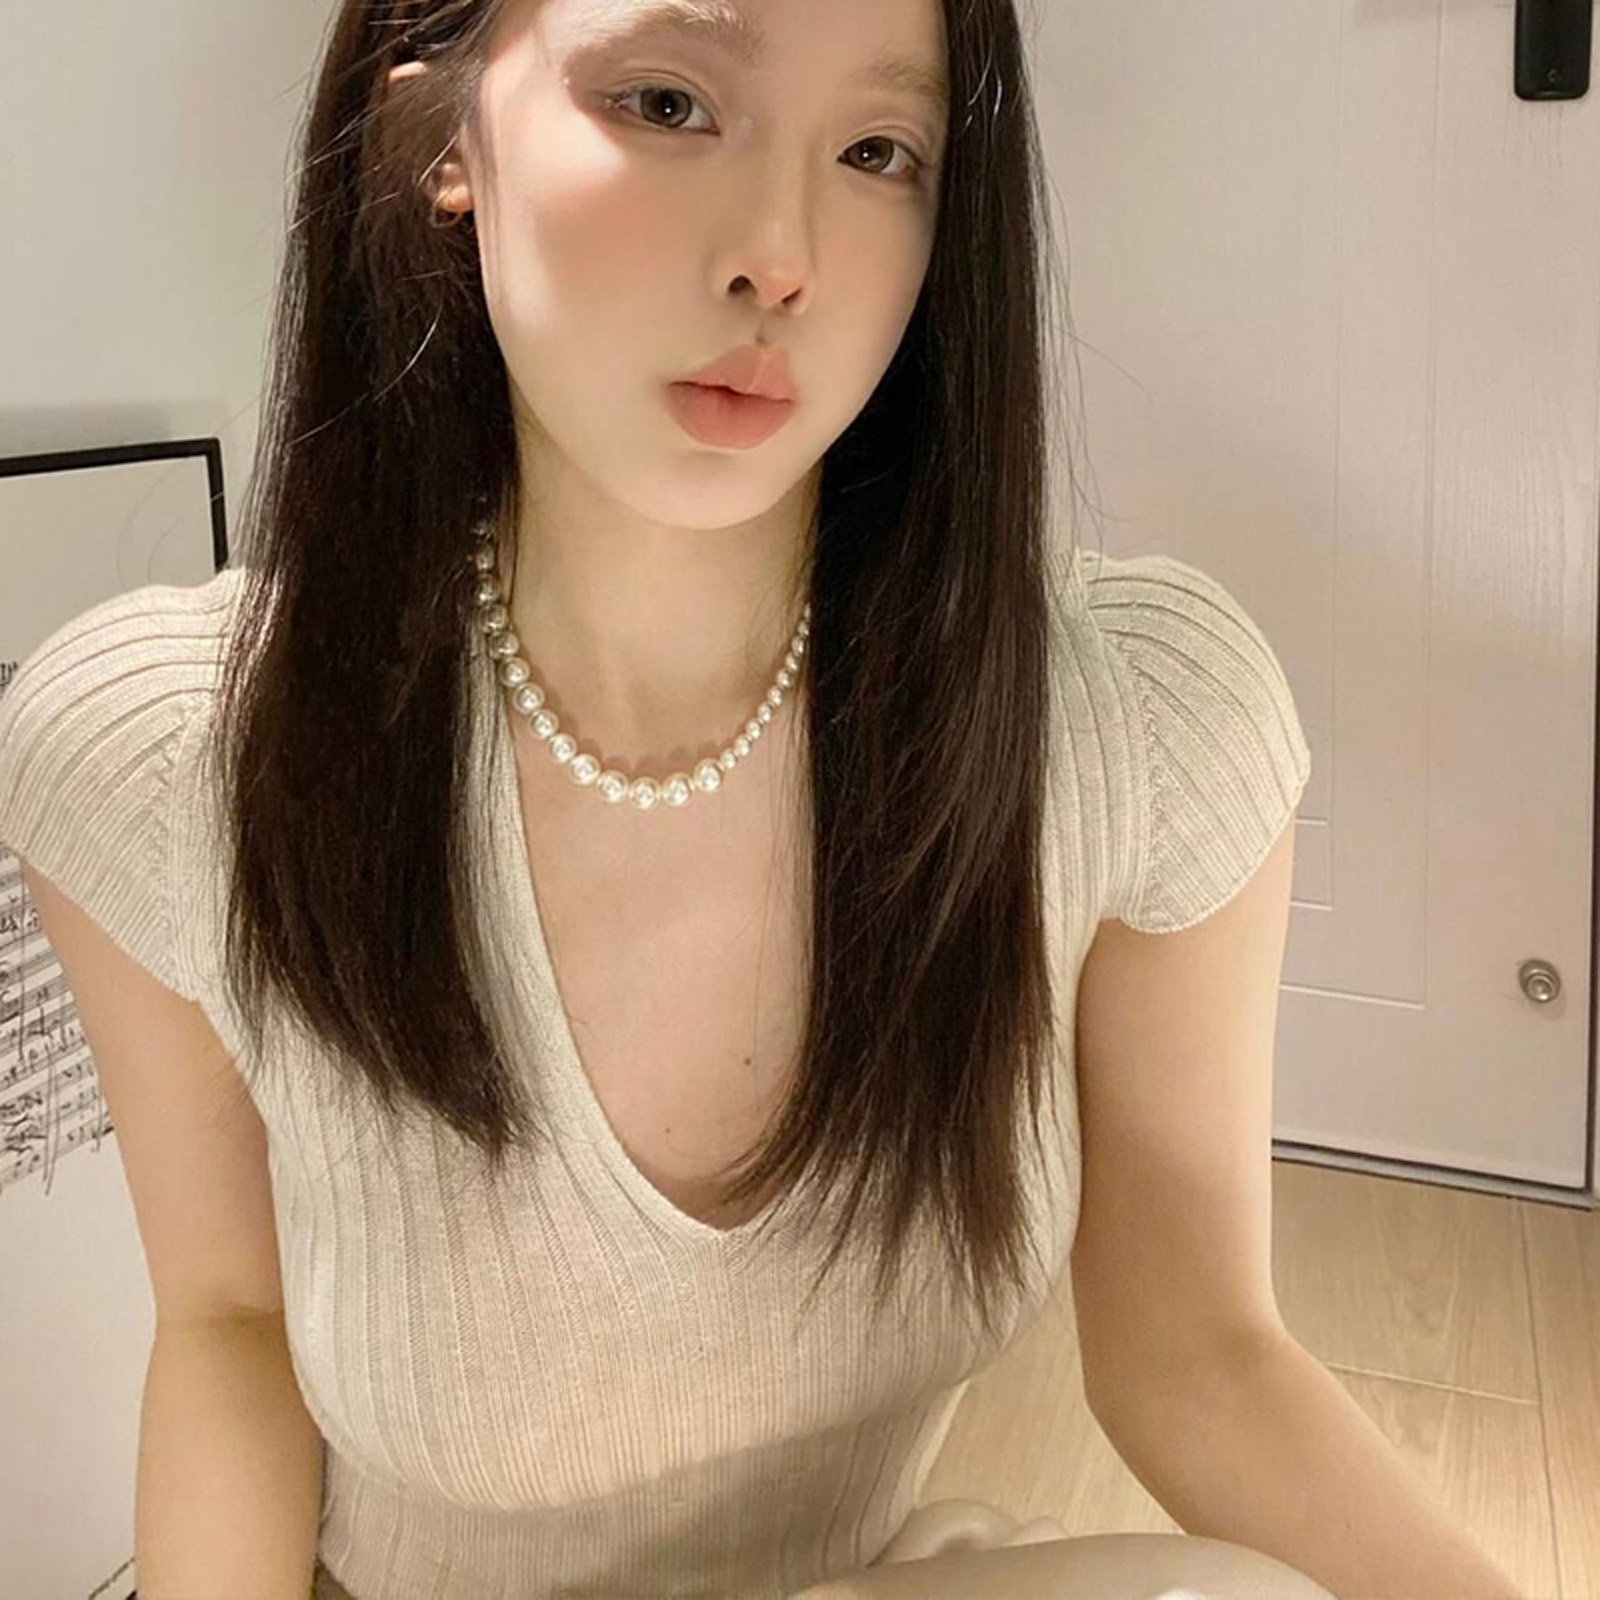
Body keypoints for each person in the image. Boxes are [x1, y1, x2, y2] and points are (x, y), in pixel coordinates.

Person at [1, 1, 1342, 1596]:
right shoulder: (175, 762)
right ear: (443, 137)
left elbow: (1205, 1354)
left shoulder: (1127, 726)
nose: (782, 258)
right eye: (665, 103)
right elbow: (228, 1327)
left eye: (877, 149)